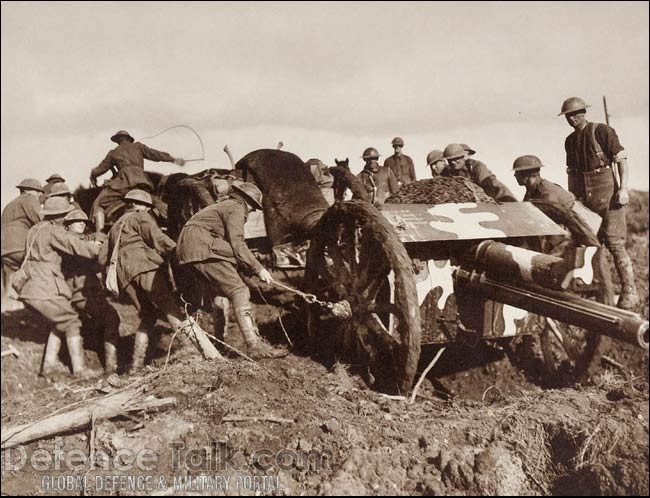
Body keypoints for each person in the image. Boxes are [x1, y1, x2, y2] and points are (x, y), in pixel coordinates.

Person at [176, 182, 287, 359]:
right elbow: (237, 244)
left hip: (190, 250)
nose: (251, 211)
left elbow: (229, 248)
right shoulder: (236, 208)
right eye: (253, 207)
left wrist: (247, 265)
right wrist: (259, 269)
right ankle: (254, 345)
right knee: (239, 290)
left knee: (219, 294)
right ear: (247, 201)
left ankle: (219, 343)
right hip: (202, 247)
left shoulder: (224, 206)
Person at [98, 189, 200, 372]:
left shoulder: (114, 227)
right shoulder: (141, 217)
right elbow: (158, 239)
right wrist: (181, 250)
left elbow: (101, 257)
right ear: (141, 206)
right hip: (144, 267)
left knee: (148, 314)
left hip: (124, 277)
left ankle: (136, 365)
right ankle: (191, 348)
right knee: (168, 304)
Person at [558, 96, 638, 310]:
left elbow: (621, 160)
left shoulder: (601, 131)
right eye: (568, 116)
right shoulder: (570, 141)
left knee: (615, 243)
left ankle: (630, 291)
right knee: (589, 243)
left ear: (584, 113)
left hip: (609, 197)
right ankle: (599, 291)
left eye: (576, 114)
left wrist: (623, 188)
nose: (572, 118)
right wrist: (573, 204)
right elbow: (572, 174)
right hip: (586, 200)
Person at [18, 197, 104, 379]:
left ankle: (48, 366)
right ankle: (80, 370)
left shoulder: (34, 229)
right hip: (46, 285)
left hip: (30, 286)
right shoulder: (53, 230)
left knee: (59, 323)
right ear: (59, 216)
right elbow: (76, 246)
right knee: (72, 321)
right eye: (65, 215)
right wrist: (97, 248)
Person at [61, 209, 121, 375]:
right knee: (111, 317)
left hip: (81, 293)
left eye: (84, 222)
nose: (82, 223)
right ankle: (111, 367)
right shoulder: (70, 242)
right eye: (77, 221)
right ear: (67, 226)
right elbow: (89, 257)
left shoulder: (78, 239)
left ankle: (105, 366)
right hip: (80, 293)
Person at [89, 130, 185, 232]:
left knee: (99, 203)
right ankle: (172, 219)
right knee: (157, 202)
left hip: (122, 185)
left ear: (117, 140)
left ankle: (99, 235)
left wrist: (93, 174)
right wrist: (173, 159)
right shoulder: (138, 146)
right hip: (142, 183)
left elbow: (101, 169)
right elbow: (155, 154)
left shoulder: (114, 152)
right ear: (129, 139)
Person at [1, 178, 43, 309]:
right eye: (38, 192)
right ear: (30, 191)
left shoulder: (9, 205)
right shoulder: (30, 200)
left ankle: (8, 307)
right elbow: (41, 220)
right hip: (20, 244)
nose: (39, 195)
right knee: (39, 269)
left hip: (4, 247)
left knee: (9, 278)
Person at [442, 143, 517, 202]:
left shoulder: (477, 166)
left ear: (463, 157)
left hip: (502, 198)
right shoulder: (451, 172)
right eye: (449, 160)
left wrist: (488, 203)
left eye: (456, 159)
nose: (453, 162)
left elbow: (488, 187)